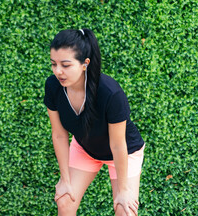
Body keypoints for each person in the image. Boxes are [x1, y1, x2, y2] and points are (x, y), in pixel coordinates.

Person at [44, 29, 145, 216]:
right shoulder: (53, 86)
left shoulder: (110, 93)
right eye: (54, 64)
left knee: (125, 210)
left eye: (65, 65)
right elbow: (59, 134)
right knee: (65, 200)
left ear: (85, 64)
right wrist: (64, 179)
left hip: (124, 152)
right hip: (85, 149)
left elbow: (117, 144)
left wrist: (123, 191)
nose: (58, 71)